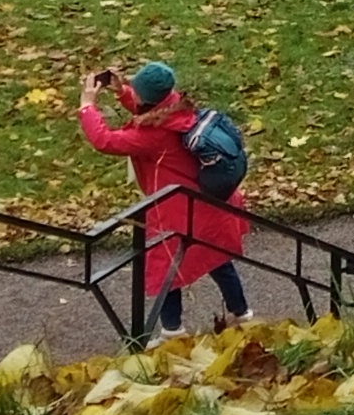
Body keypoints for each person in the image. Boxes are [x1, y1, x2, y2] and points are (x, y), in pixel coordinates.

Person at [76, 60, 250, 332]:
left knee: (166, 269)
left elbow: (105, 140)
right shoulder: (177, 108)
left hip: (178, 212)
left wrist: (87, 106)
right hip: (209, 206)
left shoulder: (153, 137)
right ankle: (243, 315)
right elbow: (150, 112)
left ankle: (172, 332)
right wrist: (123, 92)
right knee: (217, 259)